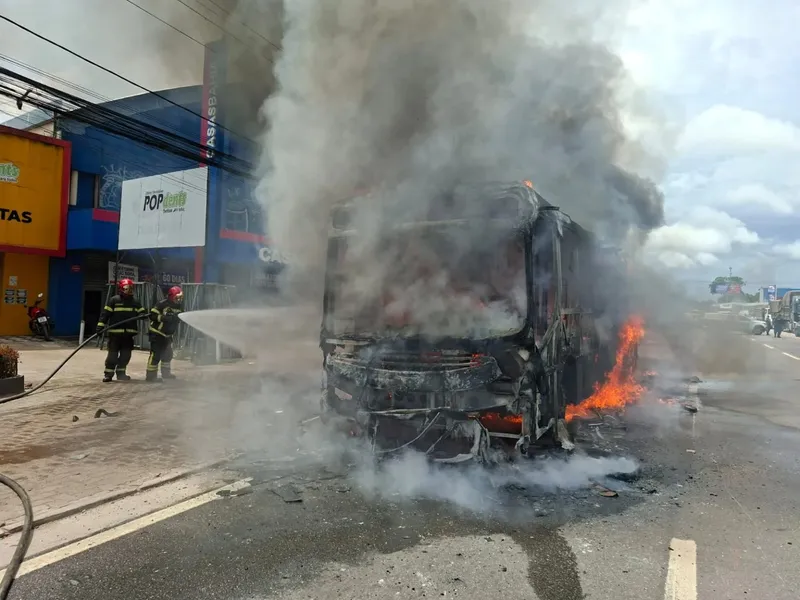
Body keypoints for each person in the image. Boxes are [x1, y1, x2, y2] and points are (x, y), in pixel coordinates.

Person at [96, 278, 145, 382]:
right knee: (112, 356)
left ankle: (121, 374)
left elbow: (142, 313)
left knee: (125, 356)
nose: (129, 291)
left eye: (131, 289)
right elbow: (106, 314)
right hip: (115, 334)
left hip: (128, 335)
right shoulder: (114, 300)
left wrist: (142, 315)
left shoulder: (135, 302)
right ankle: (108, 375)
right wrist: (100, 326)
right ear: (121, 289)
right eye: (127, 288)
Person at [146, 286, 184, 382]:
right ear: (171, 296)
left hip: (168, 335)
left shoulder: (179, 306)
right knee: (156, 355)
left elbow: (180, 316)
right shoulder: (162, 304)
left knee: (168, 354)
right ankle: (151, 376)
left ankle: (166, 373)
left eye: (180, 298)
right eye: (177, 298)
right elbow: (153, 316)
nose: (178, 300)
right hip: (157, 333)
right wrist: (164, 318)